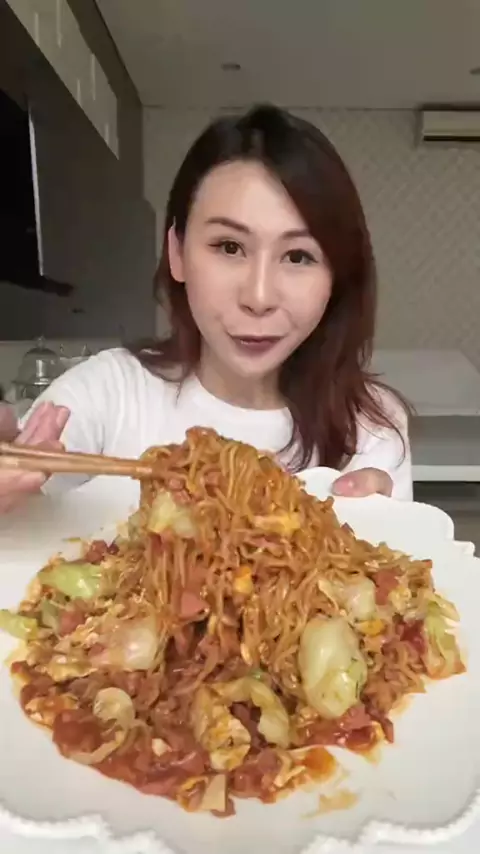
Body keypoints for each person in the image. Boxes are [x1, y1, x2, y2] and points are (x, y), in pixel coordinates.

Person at [0, 104, 412, 515]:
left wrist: (374, 541)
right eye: (229, 247)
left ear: (337, 274)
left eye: (298, 256)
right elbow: (23, 517)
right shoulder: (104, 394)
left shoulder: (371, 425)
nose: (259, 297)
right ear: (177, 252)